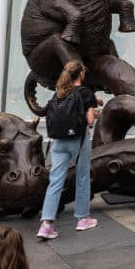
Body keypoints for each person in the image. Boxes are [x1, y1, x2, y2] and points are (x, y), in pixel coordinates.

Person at [37, 61, 100, 240]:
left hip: (58, 142)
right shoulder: (86, 93)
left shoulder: (59, 93)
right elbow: (89, 121)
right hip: (78, 141)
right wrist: (95, 114)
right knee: (82, 178)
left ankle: (46, 224)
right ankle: (83, 219)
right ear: (80, 74)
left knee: (55, 181)